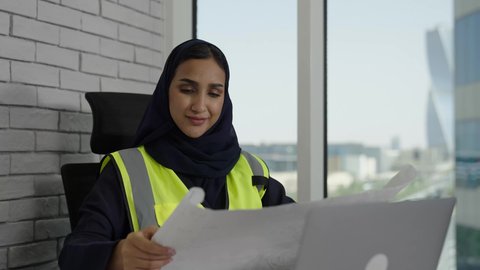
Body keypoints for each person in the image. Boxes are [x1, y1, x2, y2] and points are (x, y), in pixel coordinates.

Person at [59, 39, 294, 270]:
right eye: (187, 90)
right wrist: (118, 256)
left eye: (214, 93)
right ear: (166, 92)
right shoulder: (127, 170)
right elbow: (72, 255)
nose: (200, 105)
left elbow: (298, 230)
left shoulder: (253, 170)